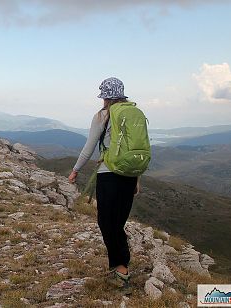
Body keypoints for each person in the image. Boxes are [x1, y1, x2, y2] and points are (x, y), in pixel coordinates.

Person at [68, 77, 139, 293]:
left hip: (109, 175)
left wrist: (75, 170)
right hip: (128, 175)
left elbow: (89, 146)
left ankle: (120, 271)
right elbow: (135, 150)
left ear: (105, 97)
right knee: (117, 222)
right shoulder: (134, 113)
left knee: (107, 223)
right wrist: (137, 178)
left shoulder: (102, 115)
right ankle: (120, 267)